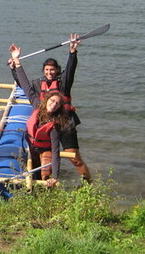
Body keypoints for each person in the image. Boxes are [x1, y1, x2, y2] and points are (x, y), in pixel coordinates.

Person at [14, 34, 91, 182]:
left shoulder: (63, 82)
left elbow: (70, 70)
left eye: (52, 70)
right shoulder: (38, 84)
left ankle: (88, 183)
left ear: (57, 70)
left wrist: (72, 52)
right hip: (48, 126)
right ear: (43, 71)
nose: (50, 73)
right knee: (44, 160)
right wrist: (15, 65)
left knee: (75, 158)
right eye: (47, 70)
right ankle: (43, 183)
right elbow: (23, 83)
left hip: (65, 125)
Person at [8, 44, 72, 186]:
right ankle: (34, 193)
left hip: (45, 149)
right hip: (32, 145)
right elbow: (24, 84)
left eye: (57, 104)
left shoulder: (54, 127)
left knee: (45, 175)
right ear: (47, 99)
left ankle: (48, 191)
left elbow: (56, 153)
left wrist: (55, 177)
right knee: (34, 173)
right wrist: (16, 62)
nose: (54, 104)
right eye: (52, 101)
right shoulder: (37, 103)